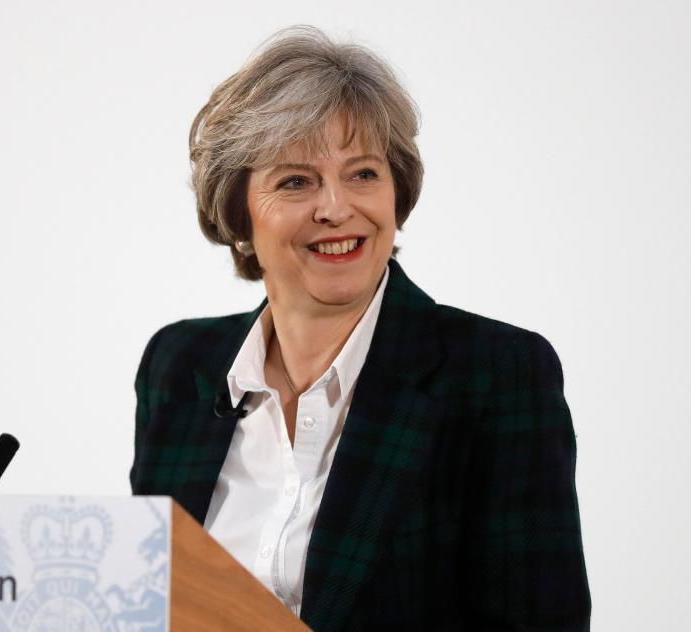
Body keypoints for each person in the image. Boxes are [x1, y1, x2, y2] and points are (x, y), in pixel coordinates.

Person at [130, 25, 590, 631]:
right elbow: (147, 607)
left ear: (398, 193)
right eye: (295, 180)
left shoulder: (497, 375)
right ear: (238, 210)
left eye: (364, 174)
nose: (336, 207)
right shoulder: (177, 363)